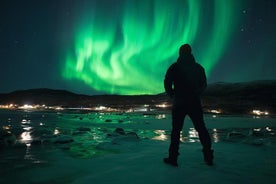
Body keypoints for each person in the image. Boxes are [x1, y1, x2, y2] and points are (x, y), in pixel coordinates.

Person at [163, 44, 214, 166]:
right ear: (190, 52)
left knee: (176, 131)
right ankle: (208, 157)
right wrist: (196, 93)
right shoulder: (198, 68)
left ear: (180, 53)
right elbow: (204, 85)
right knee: (201, 129)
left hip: (179, 103)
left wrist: (172, 94)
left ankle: (173, 158)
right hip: (194, 102)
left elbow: (167, 82)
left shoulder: (174, 67)